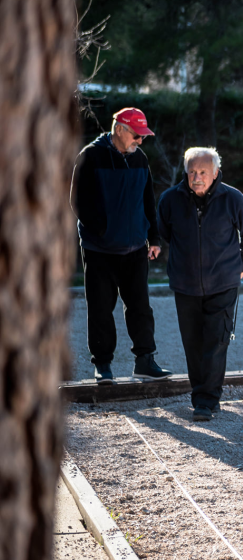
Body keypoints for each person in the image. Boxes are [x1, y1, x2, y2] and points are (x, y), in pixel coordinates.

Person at [70, 107, 172, 384]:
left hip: (135, 248)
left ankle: (145, 361)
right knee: (100, 308)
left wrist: (153, 238)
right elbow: (77, 201)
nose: (140, 141)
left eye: (143, 137)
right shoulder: (90, 156)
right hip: (99, 249)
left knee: (141, 307)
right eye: (137, 135)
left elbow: (148, 200)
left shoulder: (140, 159)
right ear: (119, 129)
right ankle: (103, 365)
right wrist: (101, 230)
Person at [158, 147, 243, 422]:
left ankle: (206, 400)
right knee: (193, 343)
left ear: (215, 173)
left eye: (203, 172)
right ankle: (202, 394)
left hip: (223, 283)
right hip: (185, 284)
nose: (197, 177)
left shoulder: (233, 198)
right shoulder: (170, 199)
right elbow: (164, 231)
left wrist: (242, 265)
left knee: (216, 341)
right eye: (192, 171)